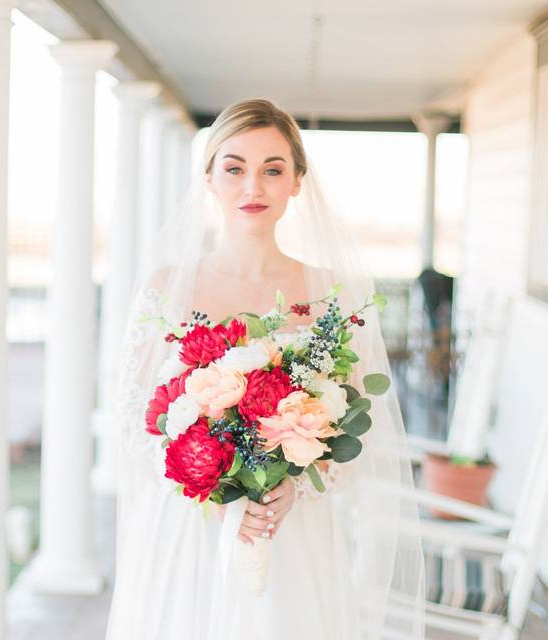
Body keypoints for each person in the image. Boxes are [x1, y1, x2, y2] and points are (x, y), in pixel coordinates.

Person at [104, 98, 424, 640]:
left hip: (290, 531)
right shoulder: (166, 287)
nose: (253, 187)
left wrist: (297, 487)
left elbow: (354, 424)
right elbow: (135, 418)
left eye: (273, 169)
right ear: (209, 178)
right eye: (235, 168)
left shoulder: (331, 293)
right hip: (194, 532)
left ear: (297, 180)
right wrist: (214, 484)